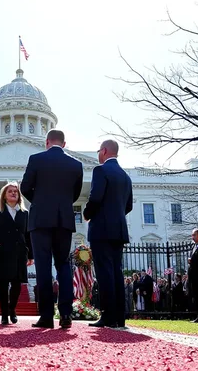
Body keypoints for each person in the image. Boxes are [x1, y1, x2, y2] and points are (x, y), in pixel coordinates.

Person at [21, 129, 83, 329]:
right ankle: (66, 314)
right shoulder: (76, 164)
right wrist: (61, 205)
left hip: (40, 220)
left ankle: (47, 316)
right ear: (64, 144)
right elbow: (75, 194)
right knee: (63, 265)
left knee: (43, 267)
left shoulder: (36, 159)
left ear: (46, 142)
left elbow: (24, 188)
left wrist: (38, 202)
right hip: (64, 220)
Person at [83, 140, 132, 328]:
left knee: (104, 274)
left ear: (103, 151)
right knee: (117, 273)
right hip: (118, 230)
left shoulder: (100, 170)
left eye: (98, 151)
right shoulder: (125, 176)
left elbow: (95, 197)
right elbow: (128, 206)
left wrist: (87, 215)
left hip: (101, 229)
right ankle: (120, 317)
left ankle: (108, 316)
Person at [0, 182, 33, 325]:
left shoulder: (24, 213)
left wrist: (31, 255)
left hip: (19, 253)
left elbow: (28, 235)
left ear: (19, 196)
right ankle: (4, 315)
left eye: (15, 192)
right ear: (4, 196)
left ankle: (12, 309)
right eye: (10, 191)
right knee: (4, 284)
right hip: (3, 252)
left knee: (17, 285)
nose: (13, 193)